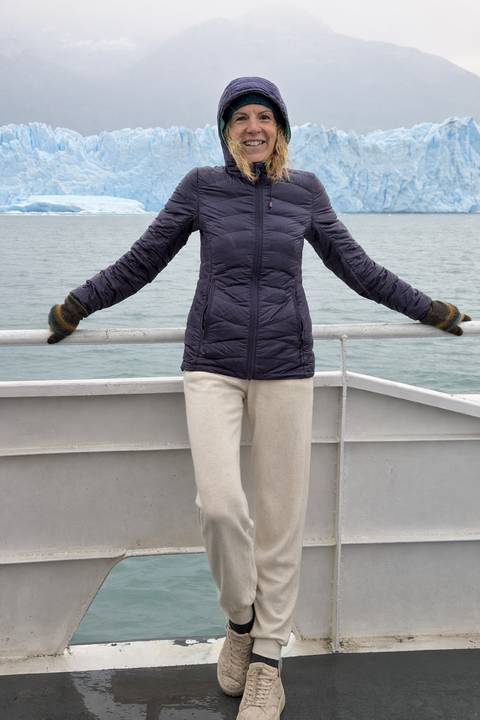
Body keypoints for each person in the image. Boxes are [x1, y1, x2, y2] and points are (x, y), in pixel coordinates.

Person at [47, 76, 471, 719]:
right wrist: (79, 303)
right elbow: (143, 260)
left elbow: (359, 270)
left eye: (264, 117)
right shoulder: (200, 188)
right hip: (211, 364)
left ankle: (268, 658)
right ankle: (241, 620)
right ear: (225, 130)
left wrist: (431, 309)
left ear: (281, 129)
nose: (253, 126)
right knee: (219, 506)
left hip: (285, 368)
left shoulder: (305, 193)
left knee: (280, 519)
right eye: (241, 117)